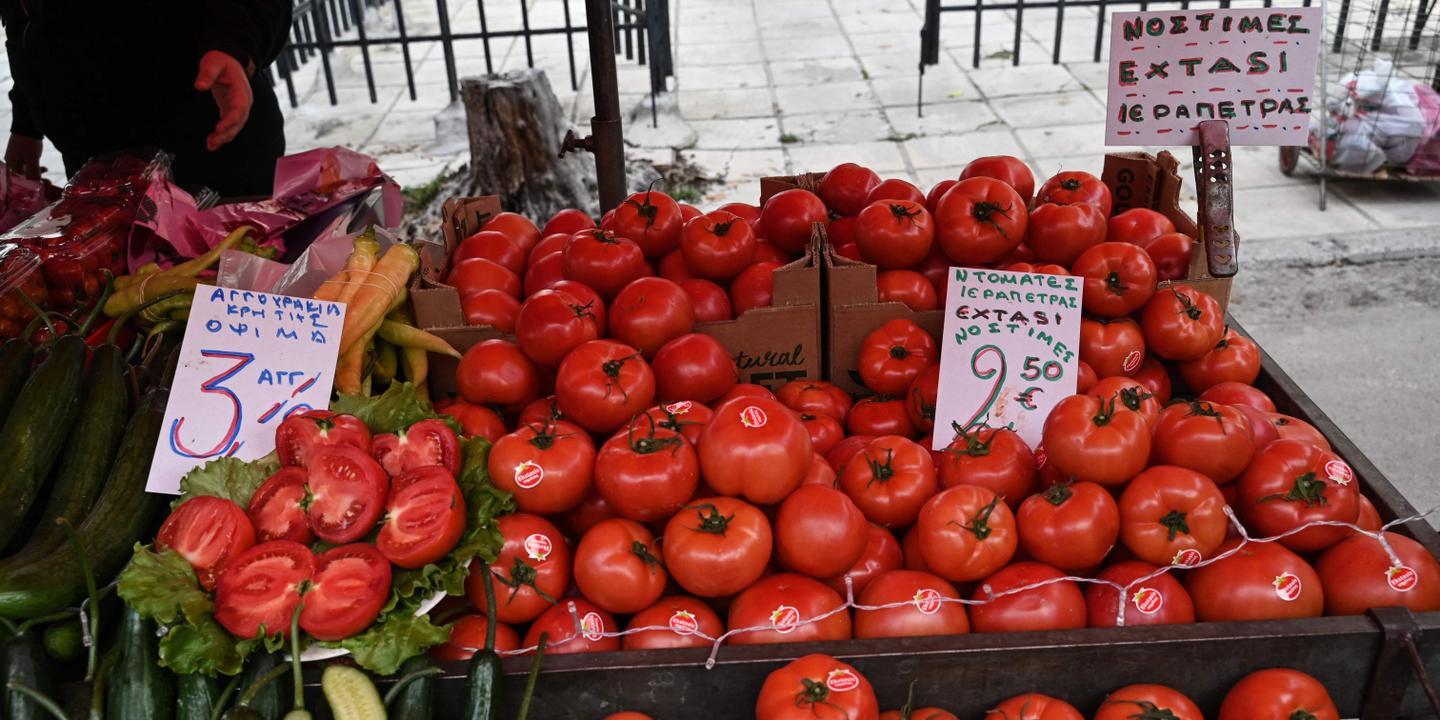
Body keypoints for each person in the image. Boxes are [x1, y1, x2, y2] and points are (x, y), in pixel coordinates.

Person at [1, 1, 292, 196]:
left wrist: (232, 45)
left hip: (210, 147)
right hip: (95, 166)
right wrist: (26, 123)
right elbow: (23, 22)